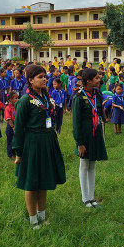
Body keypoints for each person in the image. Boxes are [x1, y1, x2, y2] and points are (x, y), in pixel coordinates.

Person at [12, 64, 66, 230]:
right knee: (31, 182)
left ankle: (42, 216)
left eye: (45, 76)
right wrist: (18, 152)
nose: (44, 79)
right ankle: (33, 219)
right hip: (32, 143)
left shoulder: (46, 96)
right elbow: (19, 128)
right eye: (40, 77)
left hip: (48, 140)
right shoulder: (25, 100)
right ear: (30, 80)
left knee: (44, 180)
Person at [72, 68, 107, 208]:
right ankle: (85, 198)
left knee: (93, 165)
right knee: (84, 164)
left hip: (95, 133)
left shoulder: (97, 94)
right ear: (88, 81)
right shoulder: (79, 97)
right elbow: (76, 123)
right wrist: (79, 143)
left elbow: (98, 113)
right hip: (84, 135)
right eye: (97, 78)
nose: (99, 80)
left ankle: (92, 198)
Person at [4, 91, 18, 160]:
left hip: (17, 123)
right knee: (10, 141)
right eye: (15, 98)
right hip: (11, 126)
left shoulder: (17, 106)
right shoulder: (8, 108)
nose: (17, 99)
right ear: (10, 99)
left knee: (16, 140)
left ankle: (15, 154)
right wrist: (13, 127)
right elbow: (9, 120)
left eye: (17, 98)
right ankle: (10, 155)